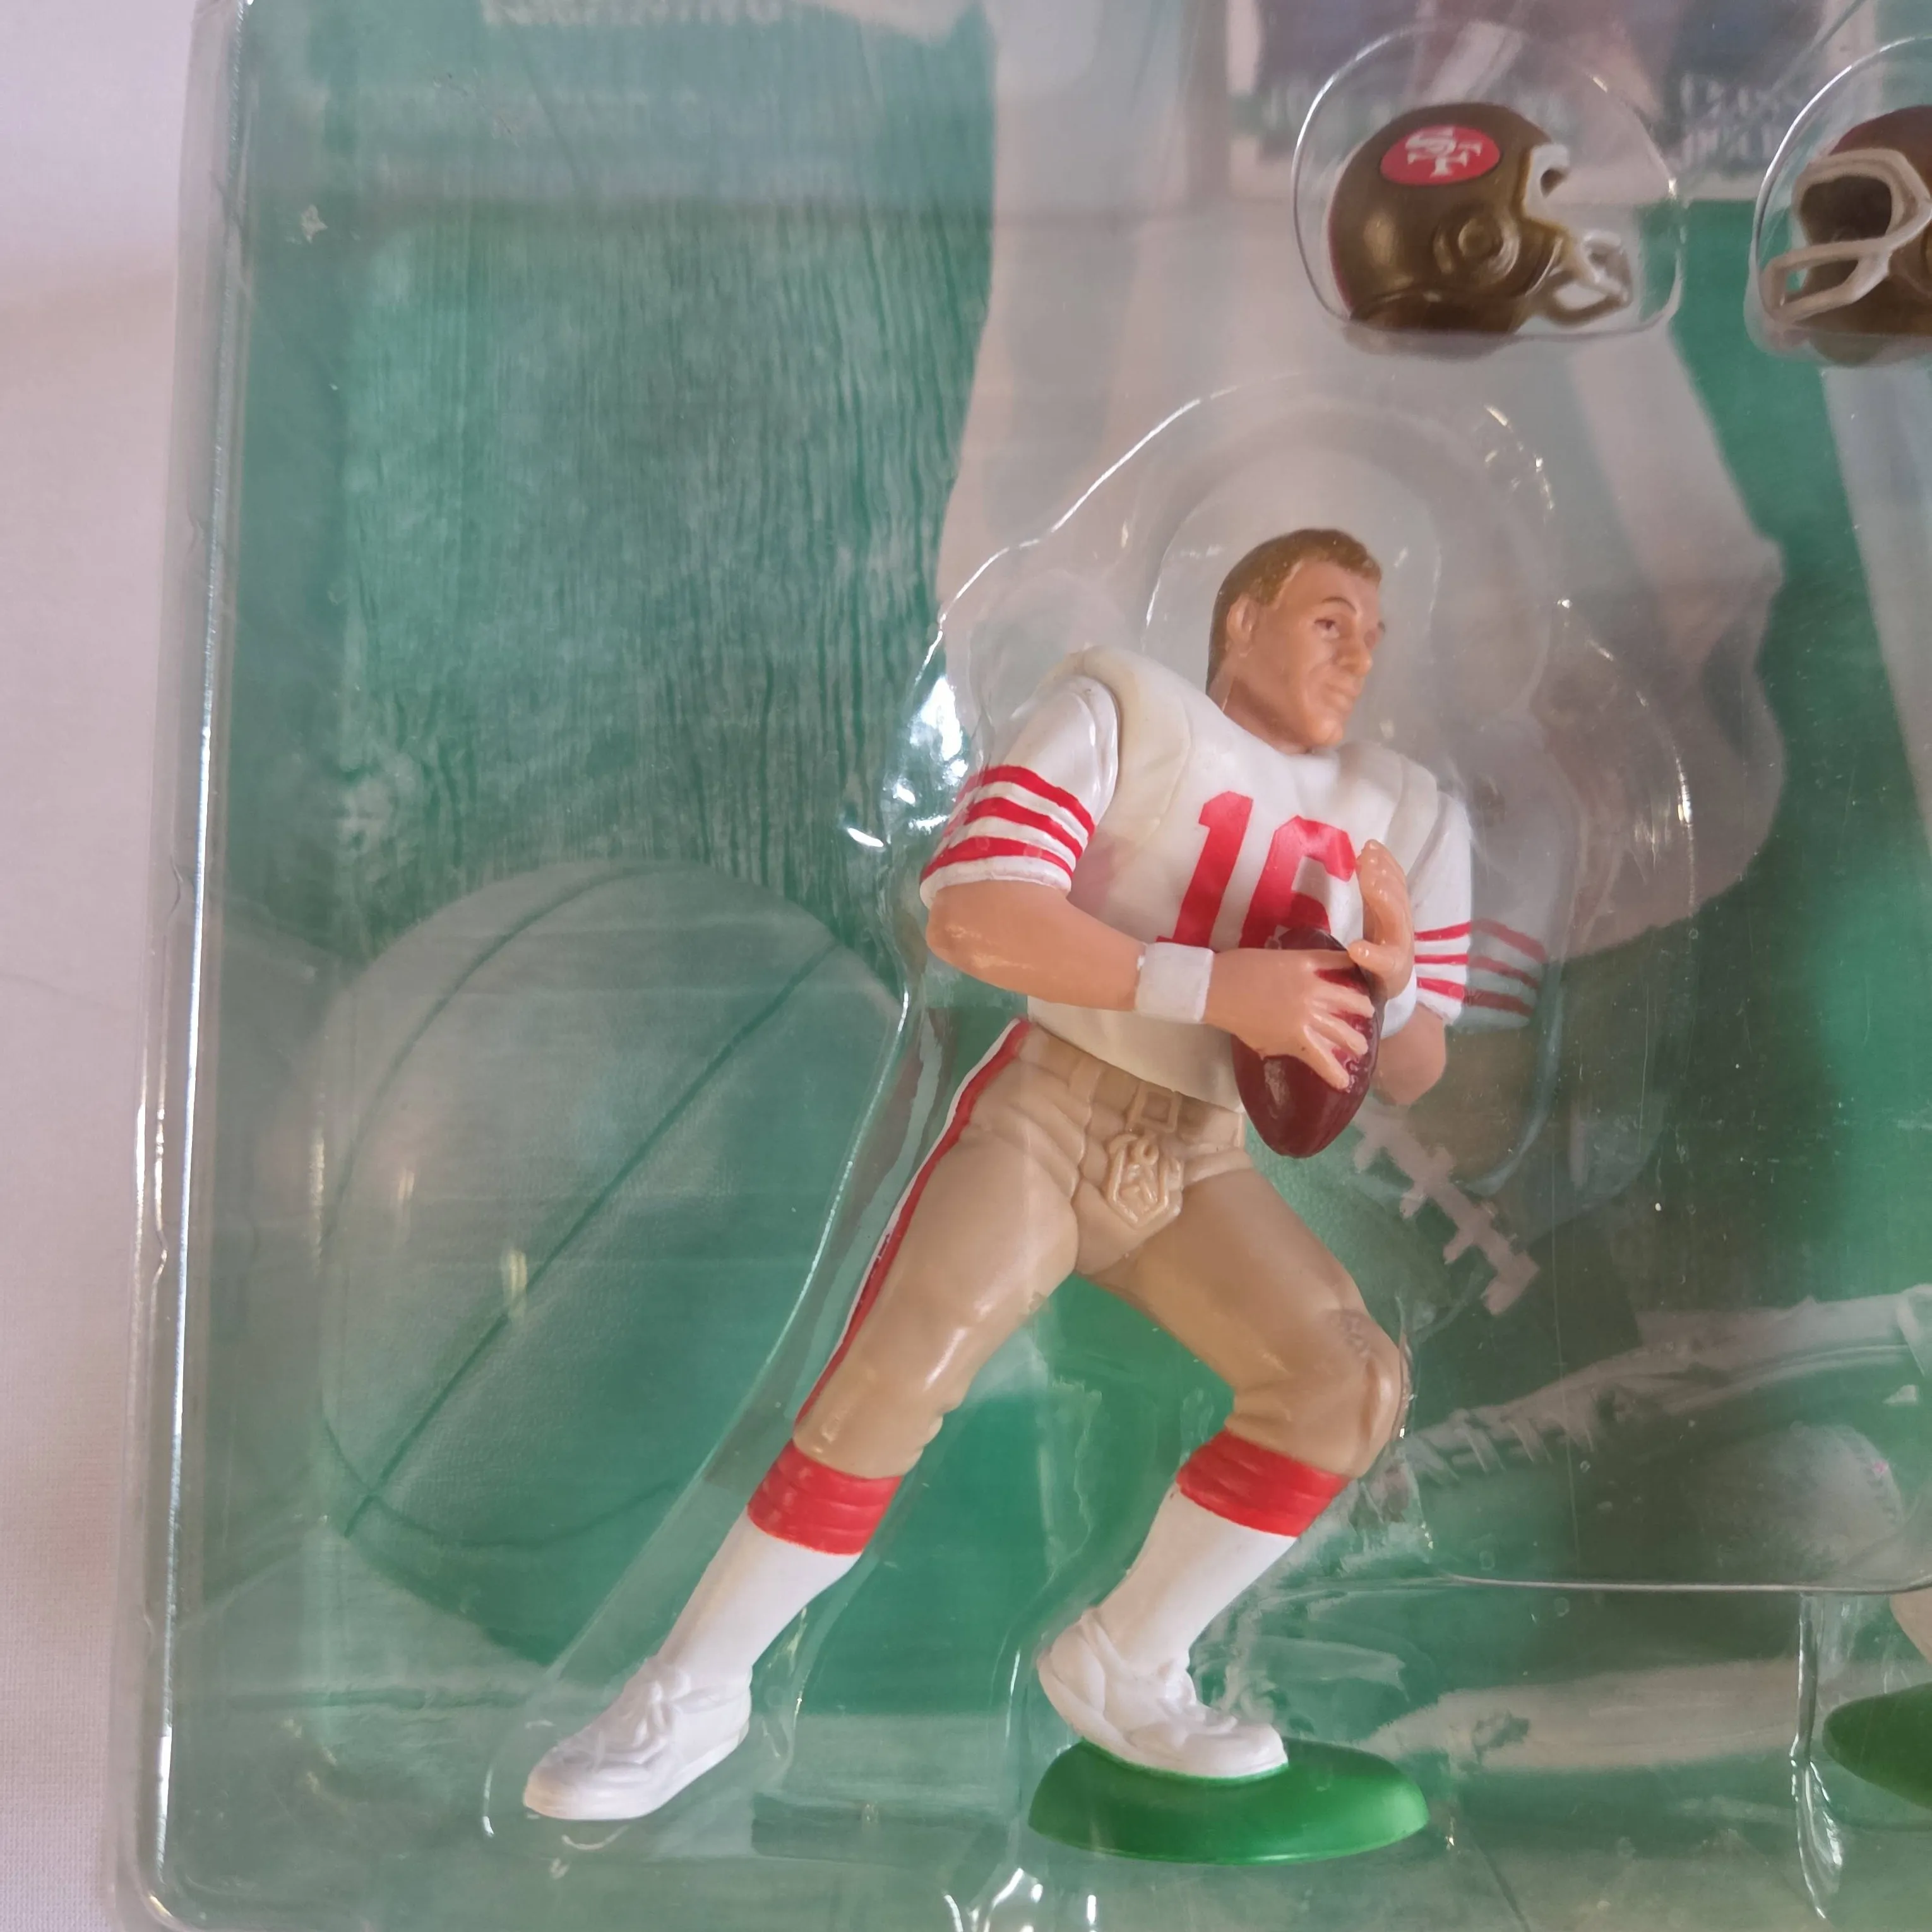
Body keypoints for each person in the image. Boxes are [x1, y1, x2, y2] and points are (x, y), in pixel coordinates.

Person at [525, 527, 1471, 1821]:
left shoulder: (1401, 815)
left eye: (1374, 632)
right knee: (903, 1363)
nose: (1359, 653)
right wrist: (1215, 986)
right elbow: (972, 910)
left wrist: (1388, 975)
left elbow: (1414, 1067)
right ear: (1243, 617)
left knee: (1349, 1379)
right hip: (1056, 1104)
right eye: (1328, 619)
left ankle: (1128, 1660)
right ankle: (693, 1686)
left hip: (1199, 1155)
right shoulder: (1126, 710)